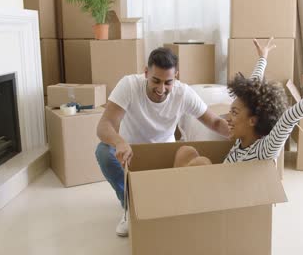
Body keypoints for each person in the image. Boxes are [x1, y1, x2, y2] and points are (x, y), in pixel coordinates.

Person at [173, 38, 303, 167]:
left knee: (200, 162)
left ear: (252, 120)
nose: (228, 117)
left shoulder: (265, 149)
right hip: (220, 186)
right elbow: (253, 86)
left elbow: (289, 117)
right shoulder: (241, 142)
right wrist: (263, 58)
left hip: (230, 204)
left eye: (234, 112)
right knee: (186, 151)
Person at [95, 47, 230, 237]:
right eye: (155, 81)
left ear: (176, 76)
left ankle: (159, 204)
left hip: (163, 152)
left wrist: (242, 134)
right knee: (103, 152)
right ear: (146, 73)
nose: (161, 89)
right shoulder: (129, 85)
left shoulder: (183, 93)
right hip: (131, 152)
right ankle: (130, 206)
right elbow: (104, 125)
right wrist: (119, 142)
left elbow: (215, 122)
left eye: (168, 82)